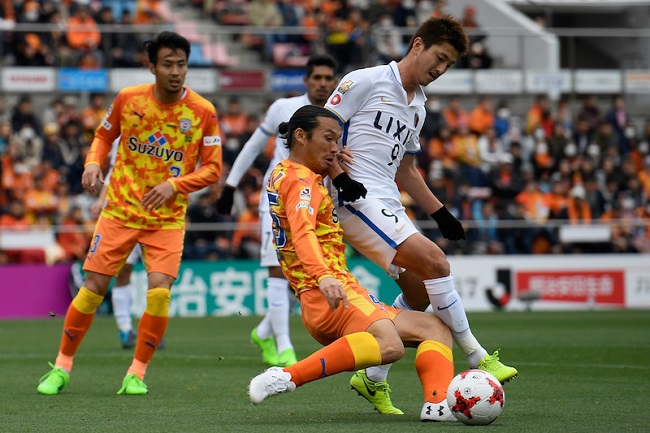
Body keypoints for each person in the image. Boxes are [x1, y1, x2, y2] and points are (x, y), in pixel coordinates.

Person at [323, 15, 518, 414]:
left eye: (448, 64)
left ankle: (371, 377)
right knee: (436, 263)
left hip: (387, 201)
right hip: (354, 200)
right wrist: (340, 178)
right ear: (416, 45)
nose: (441, 69)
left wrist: (441, 212)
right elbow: (319, 128)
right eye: (439, 58)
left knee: (418, 294)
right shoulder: (366, 80)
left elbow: (406, 170)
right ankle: (477, 355)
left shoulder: (419, 107)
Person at [36, 31, 222, 396]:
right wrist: (92, 163)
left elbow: (213, 169)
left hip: (166, 219)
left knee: (159, 293)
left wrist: (175, 185)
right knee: (93, 289)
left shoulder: (203, 112)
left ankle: (136, 373)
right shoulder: (128, 99)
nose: (175, 71)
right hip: (120, 210)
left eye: (181, 64)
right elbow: (104, 137)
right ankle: (61, 367)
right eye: (167, 64)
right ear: (151, 66)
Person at [248, 105, 457, 422]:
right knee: (390, 345)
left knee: (435, 328)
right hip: (328, 291)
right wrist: (323, 277)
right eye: (328, 139)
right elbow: (303, 234)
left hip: (337, 289)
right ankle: (288, 376)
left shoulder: (288, 173)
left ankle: (437, 404)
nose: (335, 147)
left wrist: (336, 171)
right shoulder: (300, 180)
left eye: (338, 140)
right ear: (301, 137)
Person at [216, 54, 339, 367]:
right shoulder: (283, 108)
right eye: (317, 78)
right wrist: (230, 185)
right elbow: (253, 146)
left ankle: (264, 331)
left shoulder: (339, 113)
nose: (323, 83)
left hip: (321, 202)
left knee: (304, 275)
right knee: (277, 269)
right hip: (279, 199)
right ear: (307, 80)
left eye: (328, 78)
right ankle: (284, 347)